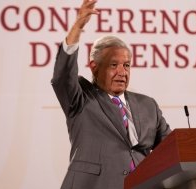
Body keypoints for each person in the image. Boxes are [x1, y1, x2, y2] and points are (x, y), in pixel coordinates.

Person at [51, 0, 171, 188]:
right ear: (94, 67)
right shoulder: (80, 97)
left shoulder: (148, 105)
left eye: (127, 65)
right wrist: (78, 27)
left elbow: (172, 149)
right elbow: (62, 76)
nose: (122, 72)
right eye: (113, 65)